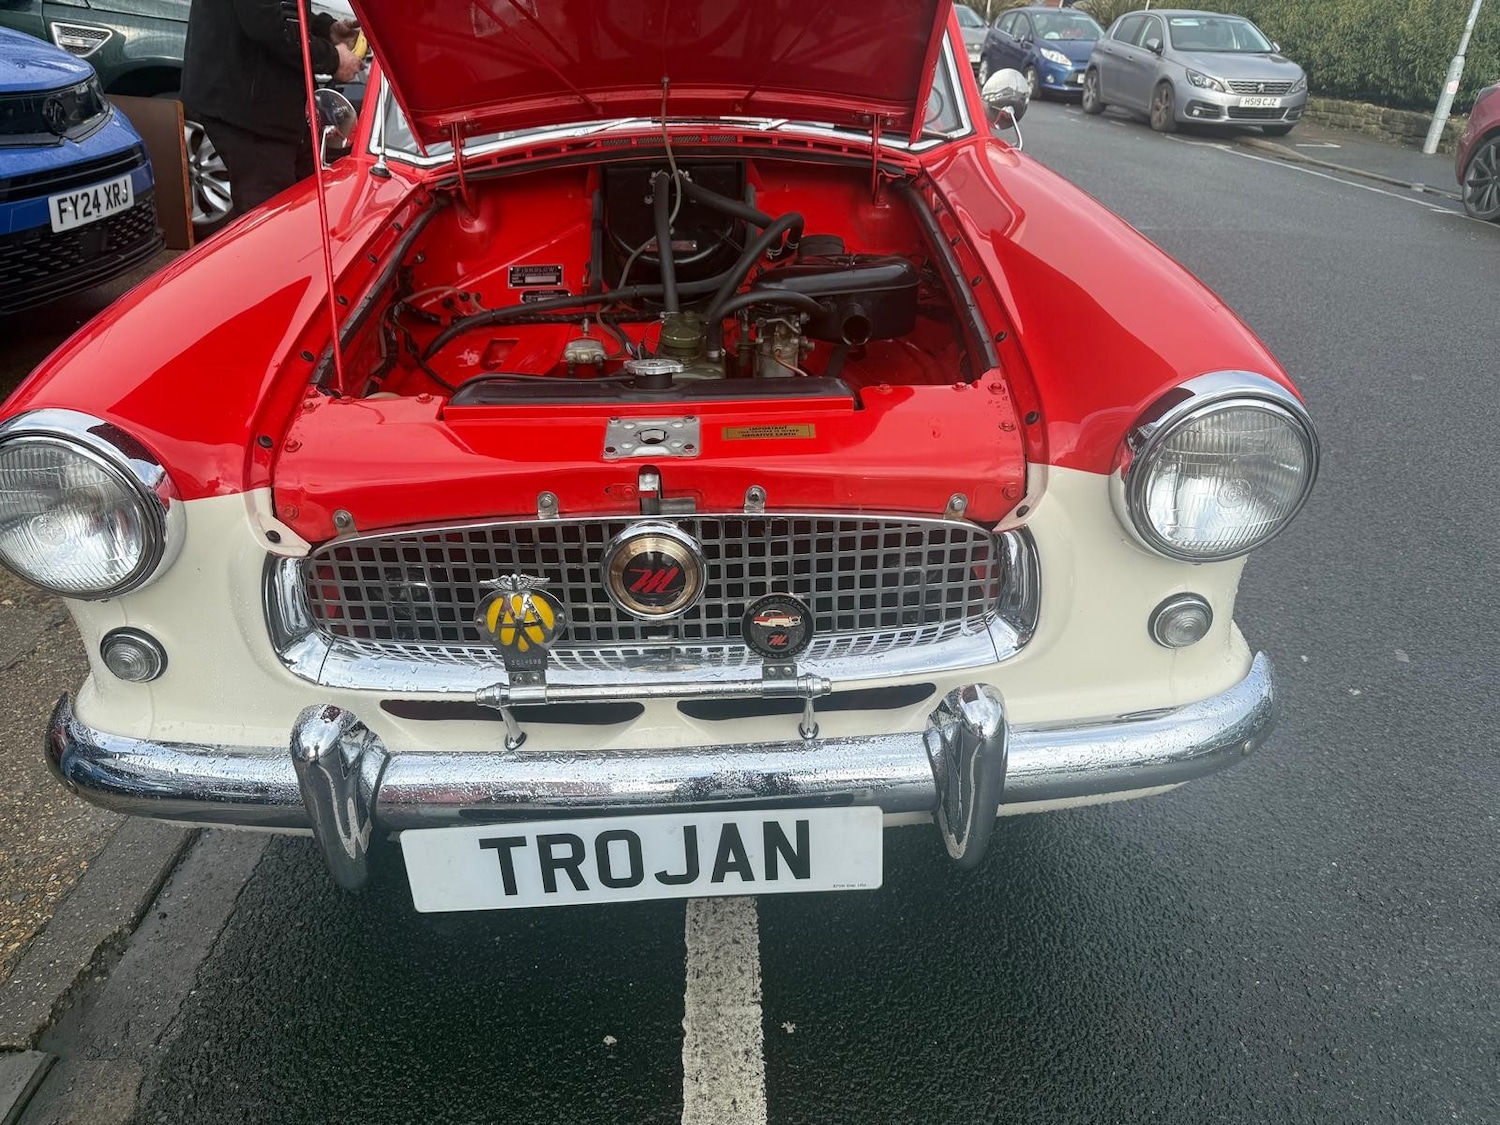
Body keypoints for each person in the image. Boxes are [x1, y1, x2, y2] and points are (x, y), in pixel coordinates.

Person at [182, 0, 361, 223]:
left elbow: (282, 11)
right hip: (250, 116)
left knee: (302, 210)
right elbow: (266, 23)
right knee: (272, 222)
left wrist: (325, 29)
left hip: (274, 111)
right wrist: (332, 59)